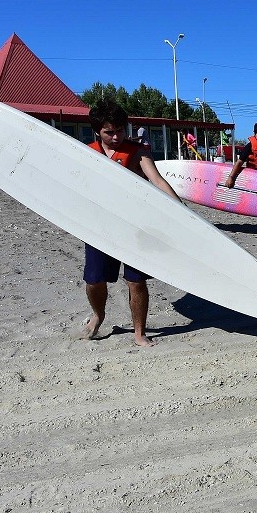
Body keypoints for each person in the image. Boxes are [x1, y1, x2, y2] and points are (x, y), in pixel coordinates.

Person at [78, 99, 185, 346]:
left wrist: (180, 210)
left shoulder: (138, 152)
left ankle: (139, 332)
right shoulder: (85, 152)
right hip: (100, 225)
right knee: (94, 280)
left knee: (135, 280)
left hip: (135, 224)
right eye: (109, 132)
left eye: (120, 130)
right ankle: (98, 315)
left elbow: (157, 180)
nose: (116, 137)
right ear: (97, 131)